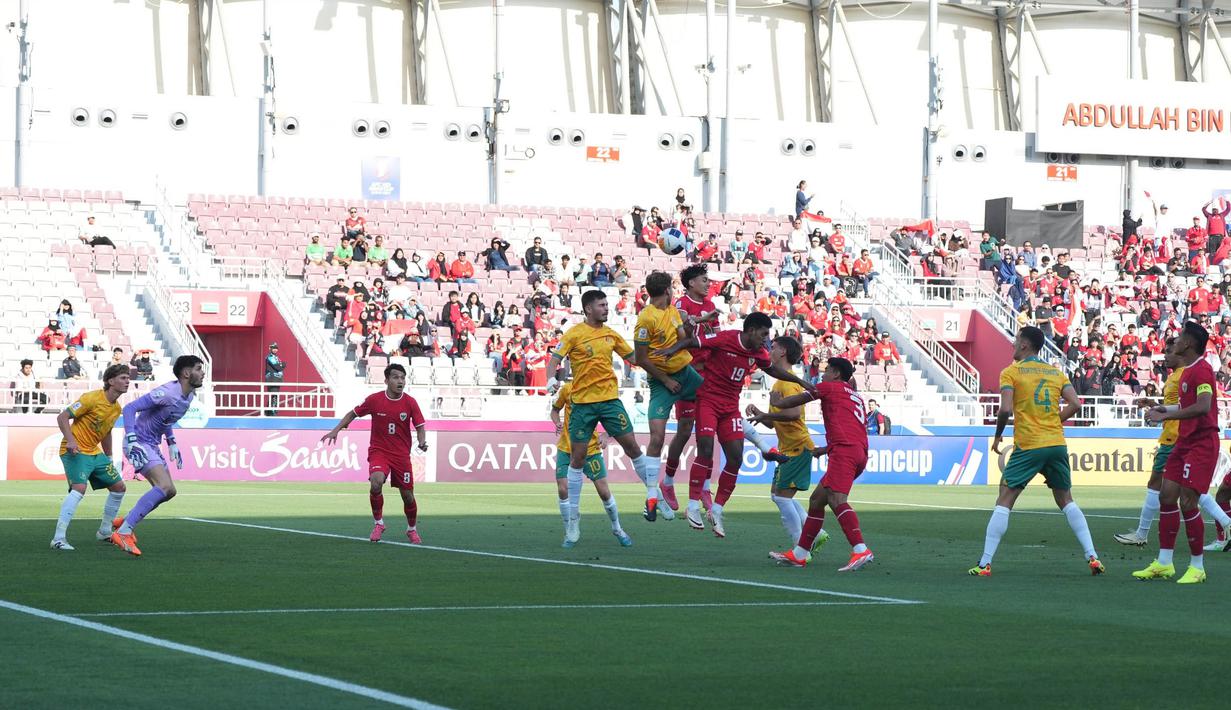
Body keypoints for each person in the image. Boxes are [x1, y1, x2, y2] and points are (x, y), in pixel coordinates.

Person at [653, 312, 813, 538]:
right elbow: (693, 342)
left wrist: (800, 381)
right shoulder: (727, 338)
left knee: (736, 457)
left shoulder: (758, 353)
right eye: (764, 334)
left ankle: (716, 510)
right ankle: (692, 506)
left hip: (730, 408)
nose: (766, 340)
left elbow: (773, 369)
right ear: (751, 330)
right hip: (708, 401)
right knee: (706, 450)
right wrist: (672, 349)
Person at [968, 326, 1103, 577]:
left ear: (1024, 346)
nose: (1013, 344)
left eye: (1016, 340)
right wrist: (1053, 421)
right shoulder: (1055, 372)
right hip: (1056, 444)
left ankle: (985, 563)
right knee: (1066, 500)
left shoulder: (1011, 372)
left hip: (1029, 444)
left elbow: (1005, 409)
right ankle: (1093, 556)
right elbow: (1076, 404)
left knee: (1005, 498)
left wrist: (998, 436)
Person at [545, 290, 656, 547]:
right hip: (572, 435)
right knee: (564, 485)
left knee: (607, 485)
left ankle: (628, 518)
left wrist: (660, 358)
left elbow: (635, 359)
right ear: (588, 309)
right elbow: (554, 360)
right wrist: (551, 378)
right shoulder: (573, 338)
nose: (607, 308)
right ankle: (572, 525)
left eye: (607, 304)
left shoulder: (611, 334)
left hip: (606, 404)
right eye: (602, 305)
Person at [1134, 321, 1223, 583]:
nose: (1177, 340)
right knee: (1166, 496)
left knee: (1188, 502)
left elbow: (1204, 407)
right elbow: (1186, 406)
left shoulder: (1203, 371)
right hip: (1184, 442)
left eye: (1182, 336)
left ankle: (1197, 567)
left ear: (1188, 344)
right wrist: (1164, 410)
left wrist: (1166, 417)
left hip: (1202, 443)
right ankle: (1164, 563)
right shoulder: (1186, 372)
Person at [763, 356, 872, 570]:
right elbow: (852, 426)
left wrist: (777, 404)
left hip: (845, 452)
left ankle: (860, 549)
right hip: (858, 451)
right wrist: (825, 449)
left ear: (837, 374)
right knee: (816, 501)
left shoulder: (831, 388)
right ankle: (800, 553)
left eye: (828, 370)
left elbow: (802, 398)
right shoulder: (856, 396)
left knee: (837, 499)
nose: (823, 374)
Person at [110, 355, 206, 557]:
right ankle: (124, 532)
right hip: (138, 443)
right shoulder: (168, 393)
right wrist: (132, 439)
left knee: (170, 491)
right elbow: (130, 408)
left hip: (152, 444)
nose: (203, 372)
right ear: (186, 373)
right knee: (163, 486)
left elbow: (166, 419)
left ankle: (125, 520)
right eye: (199, 368)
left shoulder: (188, 397)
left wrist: (171, 441)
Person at [321, 364, 429, 543]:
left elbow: (420, 427)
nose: (400, 381)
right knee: (376, 483)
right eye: (395, 377)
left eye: (402, 377)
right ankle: (379, 524)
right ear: (386, 380)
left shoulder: (410, 402)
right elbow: (353, 413)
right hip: (379, 451)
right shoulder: (374, 400)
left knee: (407, 496)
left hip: (401, 455)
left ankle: (411, 529)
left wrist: (423, 441)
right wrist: (336, 430)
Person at [633, 271, 707, 521]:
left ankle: (762, 445)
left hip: (686, 374)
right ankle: (652, 497)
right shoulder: (645, 319)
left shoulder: (673, 312)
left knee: (717, 400)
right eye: (672, 288)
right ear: (667, 291)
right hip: (662, 383)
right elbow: (641, 358)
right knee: (657, 437)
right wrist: (665, 380)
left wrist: (689, 326)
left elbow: (683, 340)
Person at [745, 337, 825, 548]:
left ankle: (800, 546)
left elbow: (793, 414)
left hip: (797, 447)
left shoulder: (787, 382)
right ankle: (814, 533)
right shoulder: (782, 381)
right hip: (789, 447)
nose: (769, 350)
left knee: (781, 498)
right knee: (777, 495)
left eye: (774, 347)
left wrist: (765, 414)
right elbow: (774, 424)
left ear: (782, 352)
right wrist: (761, 414)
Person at [50, 364, 132, 550]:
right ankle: (58, 538)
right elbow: (62, 417)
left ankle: (104, 531)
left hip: (94, 452)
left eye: (128, 378)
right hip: (75, 450)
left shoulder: (116, 408)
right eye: (123, 378)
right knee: (79, 488)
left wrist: (110, 457)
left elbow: (106, 432)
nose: (128, 381)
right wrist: (70, 440)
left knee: (119, 487)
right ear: (111, 381)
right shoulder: (91, 398)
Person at [550, 382, 631, 548]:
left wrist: (606, 434)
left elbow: (613, 418)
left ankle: (617, 528)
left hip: (590, 449)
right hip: (566, 448)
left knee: (604, 492)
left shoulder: (597, 389)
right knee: (562, 488)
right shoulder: (567, 389)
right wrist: (557, 422)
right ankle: (570, 530)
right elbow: (554, 410)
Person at [264, 342, 285, 416]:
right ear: (270, 349)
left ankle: (268, 412)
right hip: (273, 379)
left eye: (276, 348)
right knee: (274, 396)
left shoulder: (275, 357)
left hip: (275, 379)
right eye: (273, 348)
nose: (275, 349)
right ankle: (273, 412)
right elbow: (278, 367)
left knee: (273, 395)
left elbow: (279, 365)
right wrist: (282, 365)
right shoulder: (270, 357)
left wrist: (281, 365)